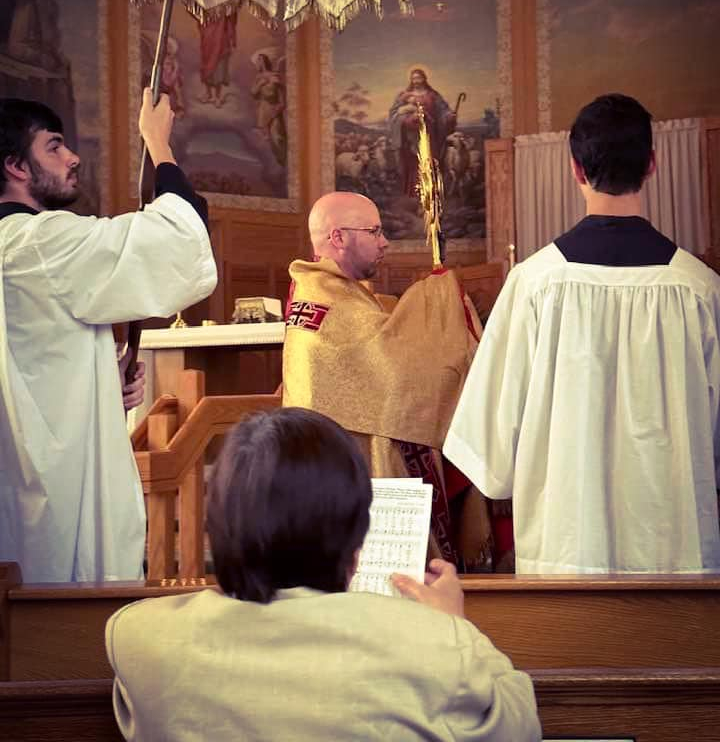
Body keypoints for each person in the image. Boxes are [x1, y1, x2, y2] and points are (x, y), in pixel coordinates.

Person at [106, 407, 541, 742]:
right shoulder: (435, 644)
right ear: (354, 545)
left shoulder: (140, 639)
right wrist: (453, 623)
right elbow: (518, 724)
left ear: (218, 527)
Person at [444, 93, 720, 574]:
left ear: (576, 169)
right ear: (652, 165)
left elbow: (489, 445)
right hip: (677, 558)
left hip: (567, 552)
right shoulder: (700, 290)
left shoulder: (534, 284)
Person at [0, 89, 218, 583]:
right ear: (15, 165)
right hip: (52, 487)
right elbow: (179, 240)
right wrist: (158, 143)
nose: (72, 157)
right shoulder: (37, 240)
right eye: (54, 147)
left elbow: (27, 365)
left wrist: (98, 381)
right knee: (59, 629)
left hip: (16, 465)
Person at [282, 190, 493, 569]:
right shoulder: (331, 301)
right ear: (338, 238)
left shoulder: (320, 291)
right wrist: (440, 294)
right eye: (374, 231)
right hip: (354, 478)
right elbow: (397, 370)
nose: (385, 242)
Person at [389, 67, 456, 197]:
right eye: (414, 78)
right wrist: (406, 119)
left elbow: (443, 110)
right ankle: (414, 193)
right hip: (410, 136)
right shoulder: (404, 96)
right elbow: (394, 114)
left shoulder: (433, 95)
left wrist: (449, 116)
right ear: (411, 80)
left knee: (429, 160)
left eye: (419, 78)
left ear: (424, 79)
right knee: (414, 162)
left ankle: (432, 193)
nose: (416, 81)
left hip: (430, 134)